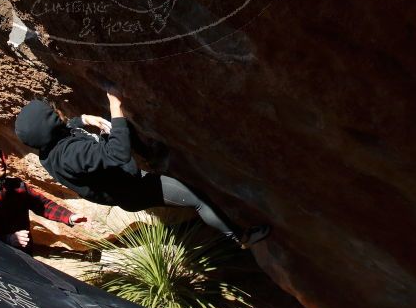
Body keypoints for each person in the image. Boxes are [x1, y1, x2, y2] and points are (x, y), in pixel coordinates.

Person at [14, 91, 271, 248]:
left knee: (124, 137)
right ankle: (240, 237)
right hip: (134, 187)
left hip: (123, 188)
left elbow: (64, 131)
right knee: (197, 200)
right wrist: (116, 109)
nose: (55, 113)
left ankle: (156, 159)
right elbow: (116, 154)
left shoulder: (48, 152)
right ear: (47, 126)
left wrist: (83, 120)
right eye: (50, 114)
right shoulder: (71, 155)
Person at [0, 144, 86, 254]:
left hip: (25, 255)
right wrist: (8, 239)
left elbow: (43, 205)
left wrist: (69, 217)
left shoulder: (17, 185)